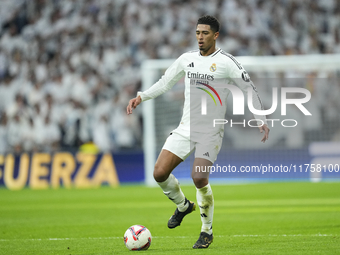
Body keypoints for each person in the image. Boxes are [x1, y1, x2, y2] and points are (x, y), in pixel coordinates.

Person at [127, 15, 270, 249]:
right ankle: (184, 206)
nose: (200, 37)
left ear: (215, 35)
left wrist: (260, 118)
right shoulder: (186, 59)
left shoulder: (227, 62)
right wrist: (141, 96)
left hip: (210, 131)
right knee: (159, 173)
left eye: (204, 33)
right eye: (197, 33)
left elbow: (248, 88)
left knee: (199, 177)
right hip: (186, 128)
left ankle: (207, 231)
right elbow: (165, 82)